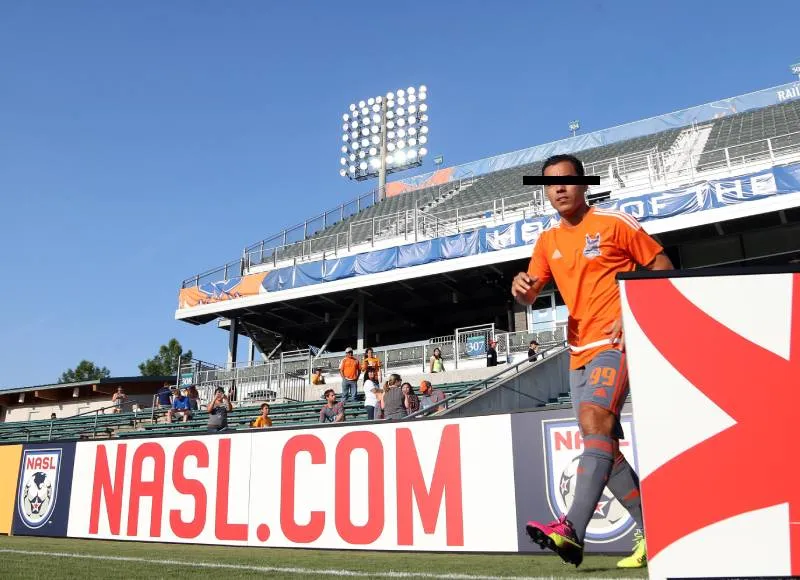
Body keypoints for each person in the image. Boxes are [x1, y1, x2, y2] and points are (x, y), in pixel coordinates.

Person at [511, 154, 673, 569]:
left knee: (594, 420)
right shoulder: (547, 241)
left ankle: (571, 529)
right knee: (601, 444)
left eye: (567, 181)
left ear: (585, 185)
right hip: (578, 350)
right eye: (550, 184)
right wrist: (522, 289)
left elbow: (661, 264)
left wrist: (633, 309)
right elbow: (531, 292)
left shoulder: (614, 223)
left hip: (616, 340)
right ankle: (659, 532)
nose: (559, 189)